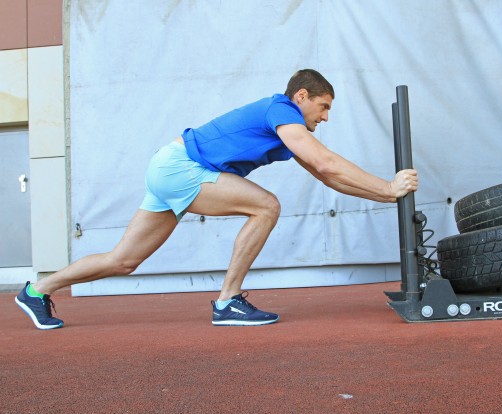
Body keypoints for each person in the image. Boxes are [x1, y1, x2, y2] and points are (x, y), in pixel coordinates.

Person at [15, 69, 418, 329]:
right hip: (182, 167)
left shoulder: (285, 127)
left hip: (171, 164)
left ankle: (36, 291)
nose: (326, 116)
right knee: (267, 205)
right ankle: (227, 302)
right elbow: (326, 162)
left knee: (123, 260)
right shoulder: (281, 111)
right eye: (323, 106)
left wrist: (384, 195)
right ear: (301, 96)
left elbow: (325, 176)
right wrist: (387, 187)